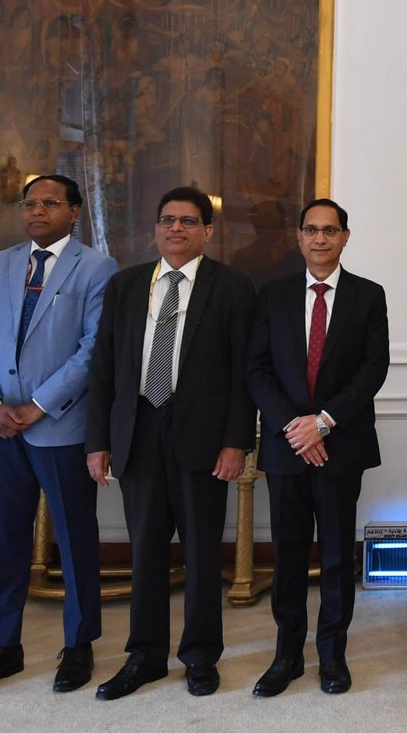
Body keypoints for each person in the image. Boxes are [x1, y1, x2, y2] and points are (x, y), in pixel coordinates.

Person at [85, 186, 258, 700]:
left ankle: (201, 657)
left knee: (203, 553)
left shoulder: (232, 287)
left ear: (208, 230)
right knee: (145, 551)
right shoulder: (126, 286)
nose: (176, 229)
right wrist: (99, 441)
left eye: (188, 221)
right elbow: (104, 369)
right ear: (154, 230)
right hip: (137, 432)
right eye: (167, 220)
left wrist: (235, 442)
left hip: (204, 440)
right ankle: (145, 657)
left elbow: (242, 374)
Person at [0, 175, 117, 697]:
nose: (37, 211)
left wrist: (38, 405)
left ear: (75, 212)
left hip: (61, 425)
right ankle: (3, 647)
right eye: (30, 203)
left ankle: (79, 644)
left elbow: (92, 351)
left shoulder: (97, 267)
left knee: (75, 539)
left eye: (50, 203)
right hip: (3, 429)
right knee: (3, 540)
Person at [246, 198, 389, 697]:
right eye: (312, 229)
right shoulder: (272, 295)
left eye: (331, 230)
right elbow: (257, 369)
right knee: (286, 555)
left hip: (340, 444)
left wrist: (323, 423)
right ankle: (287, 656)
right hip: (288, 446)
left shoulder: (369, 296)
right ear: (299, 236)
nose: (321, 238)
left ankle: (332, 656)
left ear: (345, 237)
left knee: (333, 555)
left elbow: (372, 369)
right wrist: (296, 426)